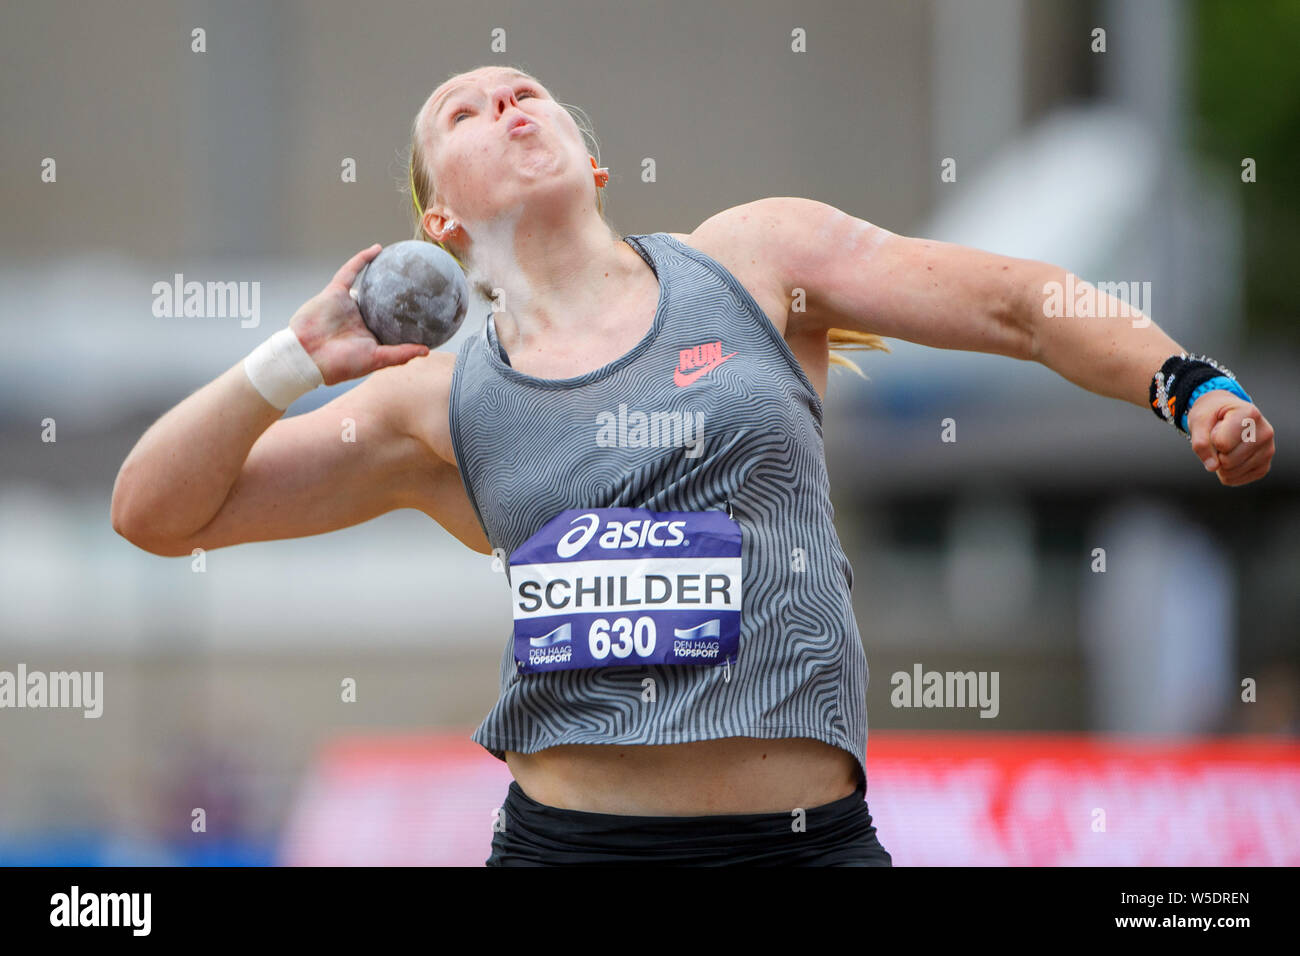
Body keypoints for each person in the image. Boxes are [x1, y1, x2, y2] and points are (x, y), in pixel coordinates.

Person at [111, 65, 1276, 866]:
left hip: (800, 844)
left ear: (595, 164)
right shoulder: (434, 402)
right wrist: (290, 362)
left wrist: (1184, 385)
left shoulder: (758, 264)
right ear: (442, 228)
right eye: (461, 111)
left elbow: (1022, 305)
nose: (504, 100)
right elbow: (156, 512)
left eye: (526, 93)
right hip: (574, 849)